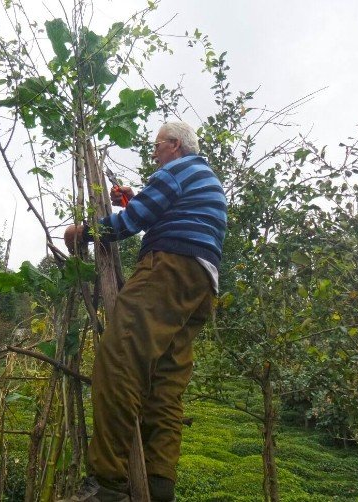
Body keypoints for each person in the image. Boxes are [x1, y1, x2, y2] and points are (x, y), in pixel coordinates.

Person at [62, 121, 227, 502]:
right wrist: (134, 198)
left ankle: (108, 485)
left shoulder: (176, 170)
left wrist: (83, 233)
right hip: (201, 283)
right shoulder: (203, 177)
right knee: (165, 385)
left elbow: (130, 224)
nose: (153, 153)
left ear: (174, 144)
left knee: (119, 360)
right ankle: (159, 486)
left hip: (168, 268)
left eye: (156, 146)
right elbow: (157, 211)